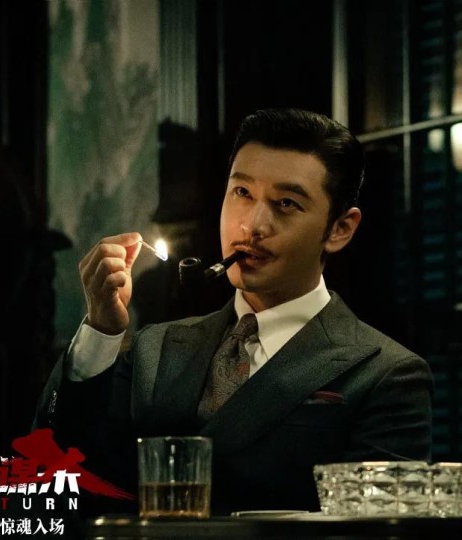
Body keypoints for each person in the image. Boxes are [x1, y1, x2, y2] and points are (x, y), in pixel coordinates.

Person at [34, 108, 433, 517]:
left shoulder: (386, 374)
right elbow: (57, 474)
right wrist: (101, 330)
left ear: (340, 229)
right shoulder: (154, 349)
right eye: (242, 193)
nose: (253, 225)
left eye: (286, 203)